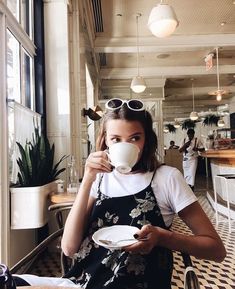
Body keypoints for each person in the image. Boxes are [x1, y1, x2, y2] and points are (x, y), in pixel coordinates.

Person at [14, 99, 226, 289]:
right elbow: (69, 248)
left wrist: (163, 237)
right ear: (105, 140)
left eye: (135, 138)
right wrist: (88, 178)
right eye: (116, 139)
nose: (126, 145)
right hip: (81, 282)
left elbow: (216, 249)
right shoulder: (100, 178)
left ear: (146, 140)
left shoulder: (166, 178)